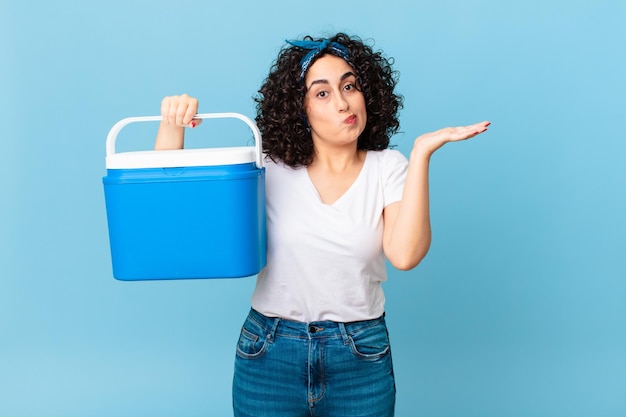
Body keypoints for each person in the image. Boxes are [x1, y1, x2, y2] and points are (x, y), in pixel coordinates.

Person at [155, 33, 489, 417]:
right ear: (300, 110)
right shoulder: (268, 168)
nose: (344, 101)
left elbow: (405, 254)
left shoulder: (388, 167)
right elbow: (173, 212)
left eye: (350, 86)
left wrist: (421, 153)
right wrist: (171, 125)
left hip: (360, 354)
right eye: (323, 93)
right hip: (268, 352)